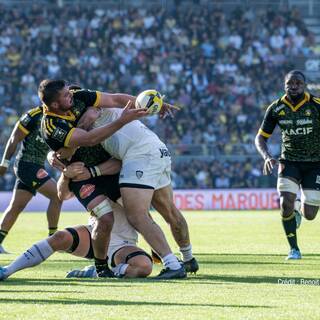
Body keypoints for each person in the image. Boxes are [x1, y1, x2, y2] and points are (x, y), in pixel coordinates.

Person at [39, 79, 186, 279]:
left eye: (72, 93)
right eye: (66, 96)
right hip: (103, 168)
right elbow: (77, 144)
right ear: (55, 105)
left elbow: (116, 99)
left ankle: (172, 260)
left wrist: (148, 107)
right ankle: (178, 259)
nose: (72, 97)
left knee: (139, 214)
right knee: (126, 216)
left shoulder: (83, 99)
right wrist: (54, 157)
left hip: (121, 162)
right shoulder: (55, 124)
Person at [0, 198, 153, 281]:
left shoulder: (130, 173)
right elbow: (61, 194)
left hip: (122, 244)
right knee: (60, 237)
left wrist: (157, 249)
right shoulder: (89, 164)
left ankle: (96, 271)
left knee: (144, 267)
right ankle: (7, 270)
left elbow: (143, 214)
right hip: (95, 234)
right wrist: (67, 172)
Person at [255, 70, 320, 260]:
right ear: (284, 85)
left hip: (315, 164)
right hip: (289, 161)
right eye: (290, 83)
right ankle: (294, 249)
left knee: (310, 214)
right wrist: (267, 156)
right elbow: (260, 137)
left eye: (298, 83)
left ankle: (300, 208)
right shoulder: (276, 108)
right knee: (285, 203)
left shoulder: (316, 105)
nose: (294, 86)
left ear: (304, 85)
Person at [0, 105, 62, 254]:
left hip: (36, 166)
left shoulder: (61, 118)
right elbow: (14, 138)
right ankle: (53, 238)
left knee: (16, 207)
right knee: (57, 195)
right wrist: (4, 163)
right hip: (27, 165)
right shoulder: (34, 115)